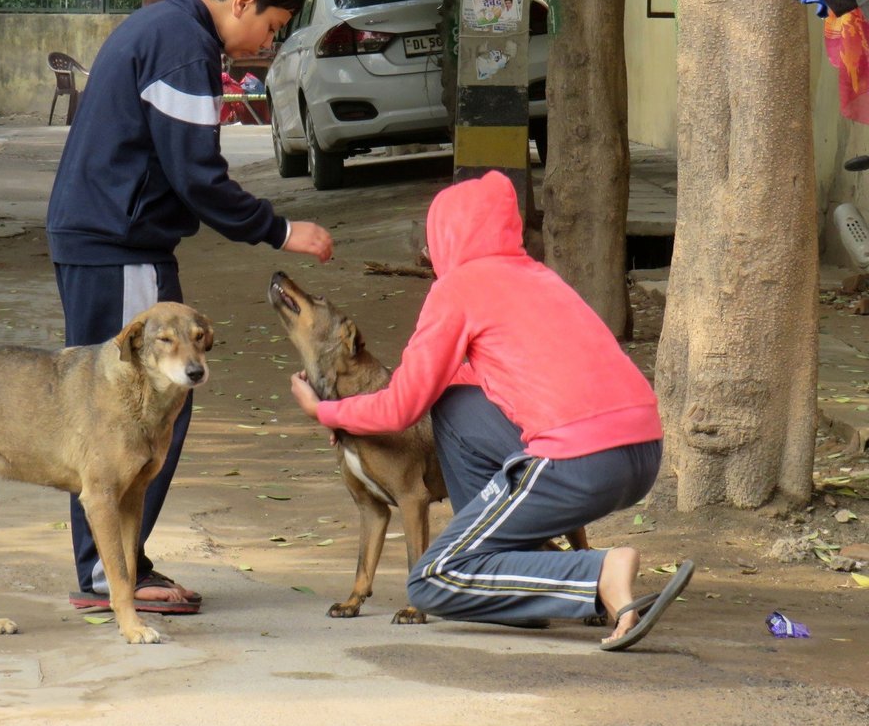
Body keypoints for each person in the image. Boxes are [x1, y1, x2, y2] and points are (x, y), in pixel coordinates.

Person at [289, 171, 693, 652]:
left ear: (446, 237)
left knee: (432, 579)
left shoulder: (456, 289)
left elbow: (403, 407)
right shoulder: (540, 278)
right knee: (452, 400)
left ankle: (598, 572)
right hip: (642, 452)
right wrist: (360, 411)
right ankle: (524, 578)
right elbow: (471, 382)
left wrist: (327, 411)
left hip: (578, 463)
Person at [47, 0, 334, 614]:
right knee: (141, 408)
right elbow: (198, 178)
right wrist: (282, 231)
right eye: (268, 27)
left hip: (103, 238)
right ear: (241, 1)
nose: (260, 44)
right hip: (120, 245)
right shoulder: (183, 45)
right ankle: (108, 573)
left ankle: (112, 565)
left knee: (120, 407)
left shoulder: (162, 27)